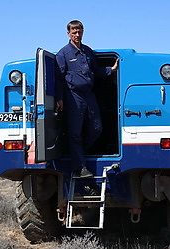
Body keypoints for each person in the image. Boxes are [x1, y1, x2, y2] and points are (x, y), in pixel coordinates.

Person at [55, 20, 118, 178]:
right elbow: (58, 79)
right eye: (74, 32)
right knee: (75, 133)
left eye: (79, 31)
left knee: (97, 128)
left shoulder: (88, 51)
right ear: (68, 33)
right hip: (73, 96)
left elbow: (95, 71)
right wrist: (59, 98)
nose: (77, 35)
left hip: (89, 94)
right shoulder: (63, 54)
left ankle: (79, 153)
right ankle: (79, 167)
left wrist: (111, 70)